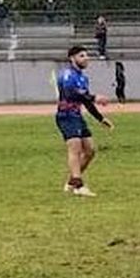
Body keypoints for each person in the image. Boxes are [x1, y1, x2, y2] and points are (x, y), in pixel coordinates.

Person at [57, 46, 115, 197]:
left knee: (90, 151)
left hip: (77, 116)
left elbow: (86, 100)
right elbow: (70, 93)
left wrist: (100, 118)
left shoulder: (83, 78)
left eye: (86, 56)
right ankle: (79, 185)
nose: (86, 58)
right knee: (75, 149)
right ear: (72, 58)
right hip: (66, 115)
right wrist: (95, 97)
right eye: (82, 56)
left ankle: (72, 182)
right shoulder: (67, 74)